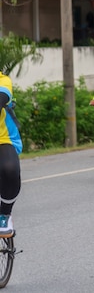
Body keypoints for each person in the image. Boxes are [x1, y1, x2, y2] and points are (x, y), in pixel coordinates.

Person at [0, 72, 22, 236]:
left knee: (10, 170)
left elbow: (1, 97)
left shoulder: (3, 80)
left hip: (3, 138)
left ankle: (4, 214)